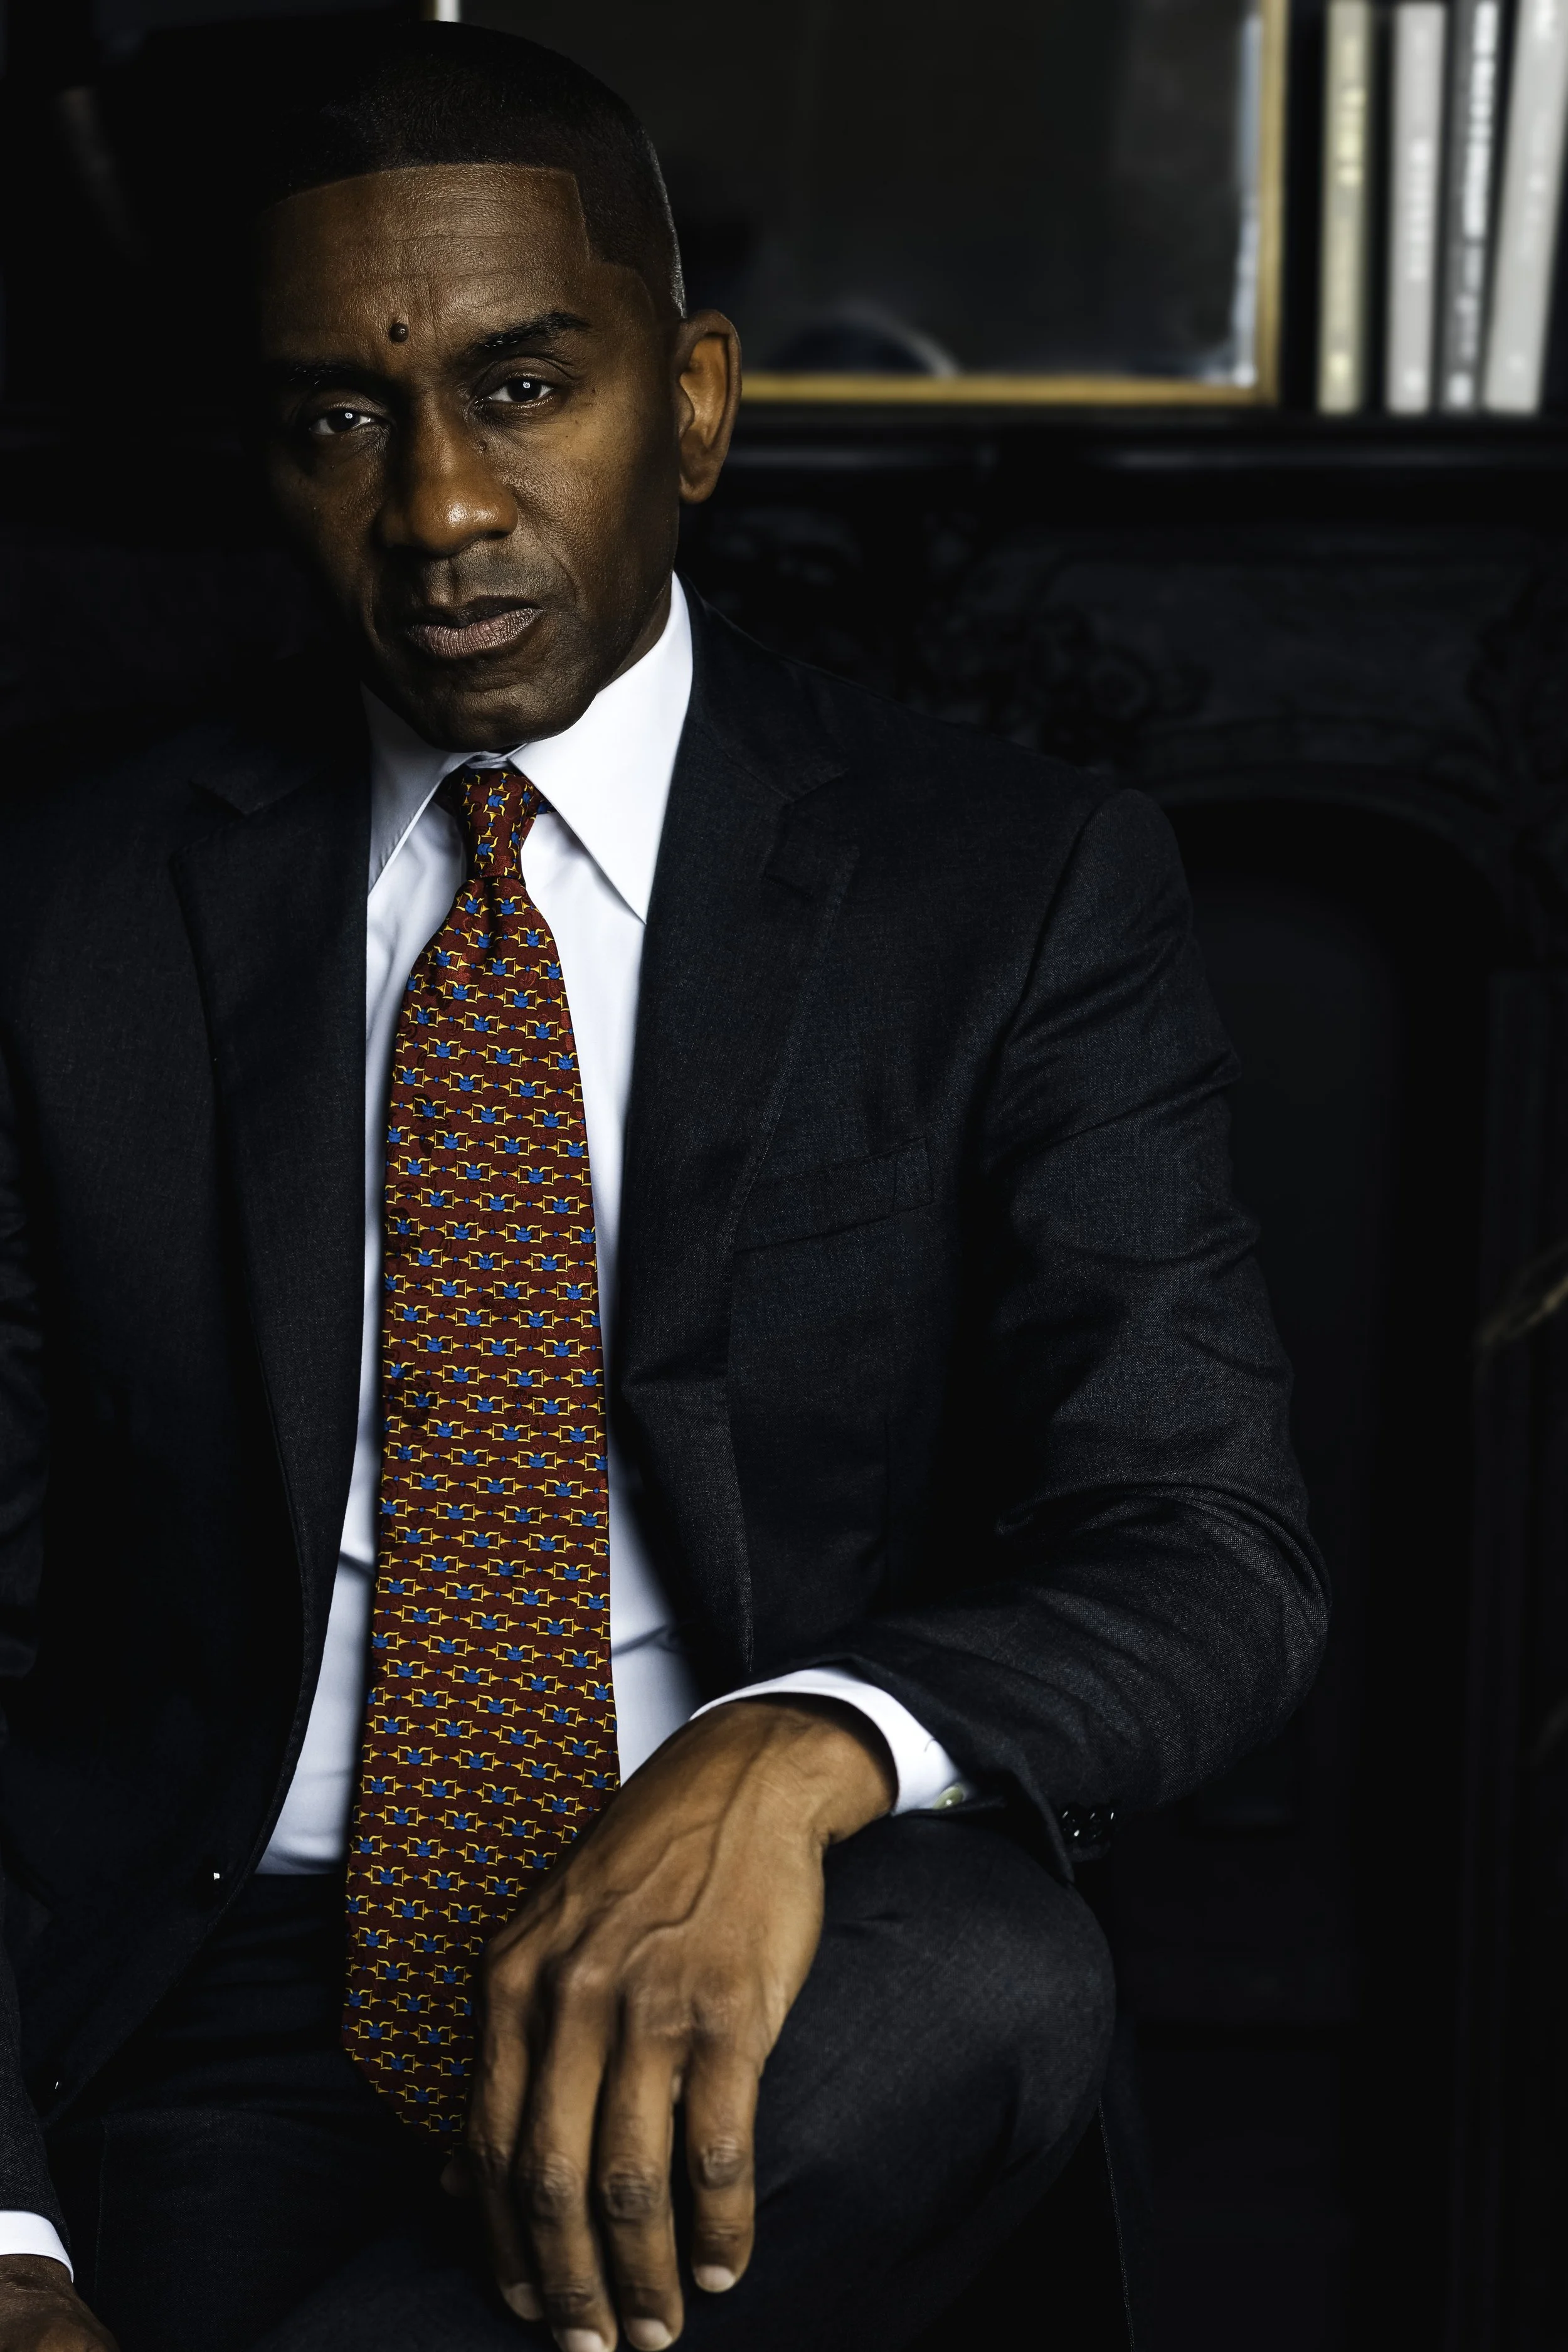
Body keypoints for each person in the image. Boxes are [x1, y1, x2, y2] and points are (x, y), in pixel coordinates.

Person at [0, 23, 1327, 2352]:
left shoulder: (1002, 889)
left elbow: (1203, 1536)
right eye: (339, 419)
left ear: (694, 402)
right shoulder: (66, 909)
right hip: (217, 1992)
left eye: (524, 389)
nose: (438, 509)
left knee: (991, 1969)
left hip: (780, 1986)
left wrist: (796, 1745)